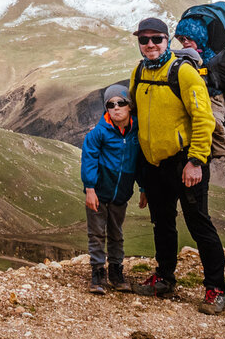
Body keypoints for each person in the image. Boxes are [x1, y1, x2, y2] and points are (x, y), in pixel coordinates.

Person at [128, 16, 225, 315]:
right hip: (154, 164)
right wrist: (142, 176)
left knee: (200, 226)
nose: (149, 45)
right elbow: (135, 117)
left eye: (156, 39)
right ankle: (164, 277)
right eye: (143, 39)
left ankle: (216, 288)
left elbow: (204, 120)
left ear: (167, 40)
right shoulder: (138, 72)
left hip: (185, 163)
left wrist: (196, 161)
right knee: (162, 223)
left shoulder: (184, 73)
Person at [80, 82, 139, 293]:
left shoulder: (136, 132)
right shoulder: (99, 133)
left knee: (117, 233)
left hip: (121, 193)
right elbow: (89, 158)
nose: (116, 107)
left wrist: (143, 189)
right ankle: (97, 273)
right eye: (110, 104)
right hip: (98, 192)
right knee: (96, 233)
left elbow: (140, 162)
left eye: (121, 103)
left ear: (129, 106)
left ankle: (116, 271)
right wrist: (90, 189)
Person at [173, 17, 225, 190]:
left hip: (213, 98)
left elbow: (217, 82)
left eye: (189, 38)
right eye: (182, 39)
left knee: (213, 123)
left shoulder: (213, 59)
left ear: (199, 37)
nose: (185, 42)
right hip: (194, 97)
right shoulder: (183, 56)